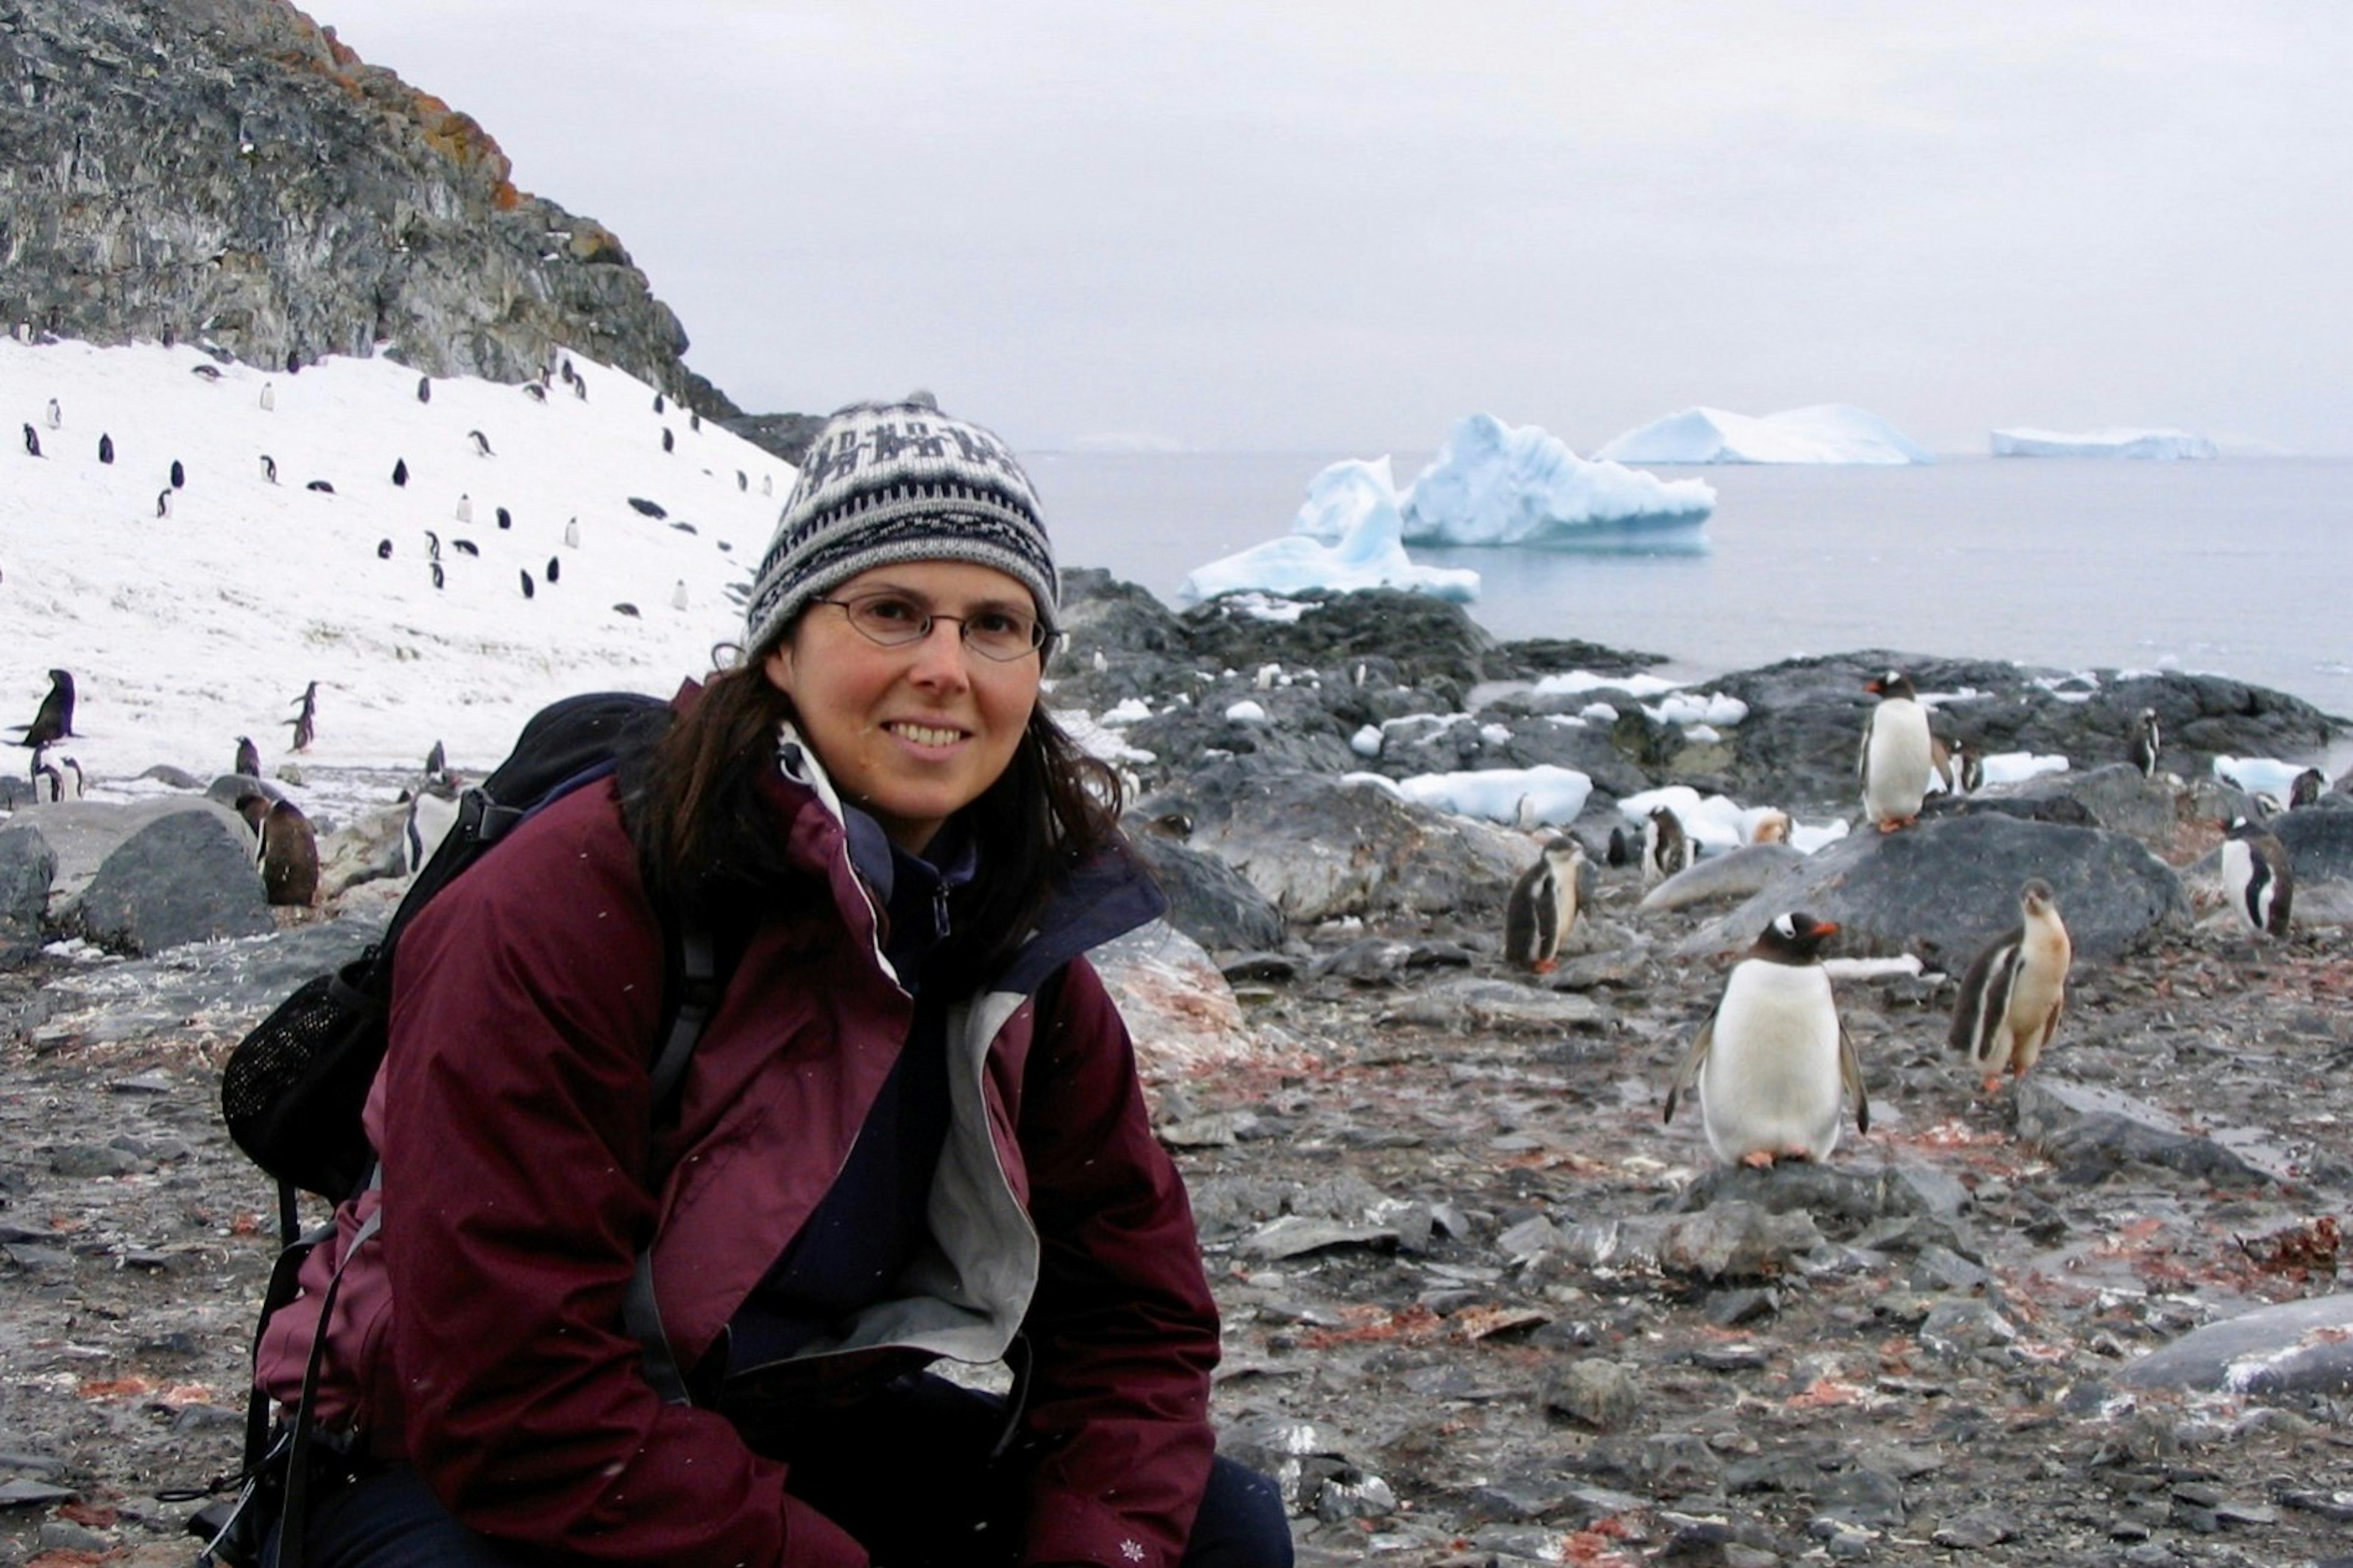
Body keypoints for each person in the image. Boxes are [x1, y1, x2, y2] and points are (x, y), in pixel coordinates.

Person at [251, 396, 1293, 1567]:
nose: (946, 669)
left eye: (997, 625)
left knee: (1218, 1534)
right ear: (783, 646)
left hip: (801, 1425)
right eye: (892, 612)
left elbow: (1132, 1322)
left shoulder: (1012, 939)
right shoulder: (566, 907)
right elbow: (512, 1390)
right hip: (470, 1465)